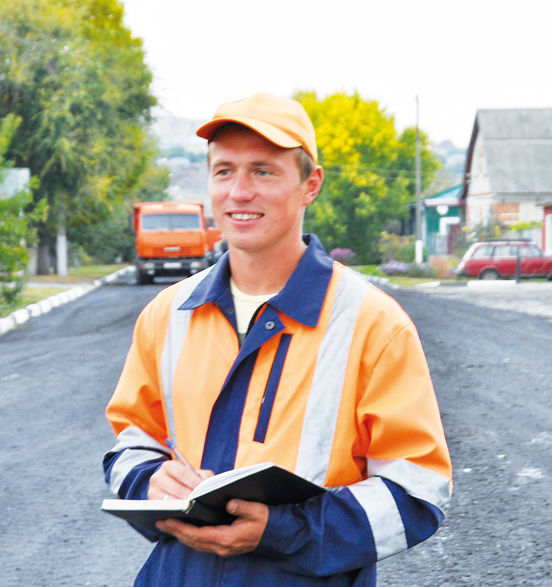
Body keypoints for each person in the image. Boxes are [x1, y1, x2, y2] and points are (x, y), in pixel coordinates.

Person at [103, 91, 453, 587]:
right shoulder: (168, 314)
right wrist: (148, 480)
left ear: (311, 185)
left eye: (263, 171)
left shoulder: (374, 324)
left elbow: (417, 492)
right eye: (224, 171)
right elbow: (132, 442)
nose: (239, 192)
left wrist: (283, 530)